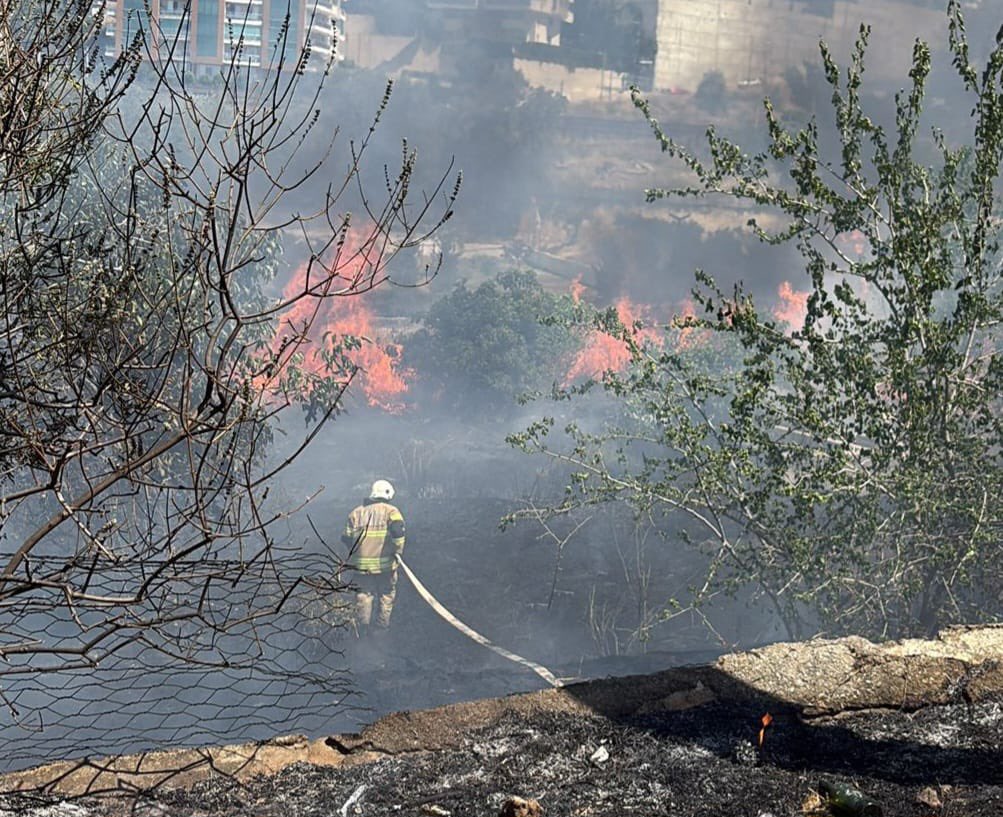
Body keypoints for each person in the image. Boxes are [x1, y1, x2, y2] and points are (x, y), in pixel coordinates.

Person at [342, 479, 406, 636]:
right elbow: (398, 533)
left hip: (361, 568)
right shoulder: (392, 512)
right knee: (386, 595)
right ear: (388, 494)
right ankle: (381, 630)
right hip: (385, 566)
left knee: (363, 595)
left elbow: (346, 538)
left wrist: (356, 554)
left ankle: (362, 631)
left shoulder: (355, 513)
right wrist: (398, 551)